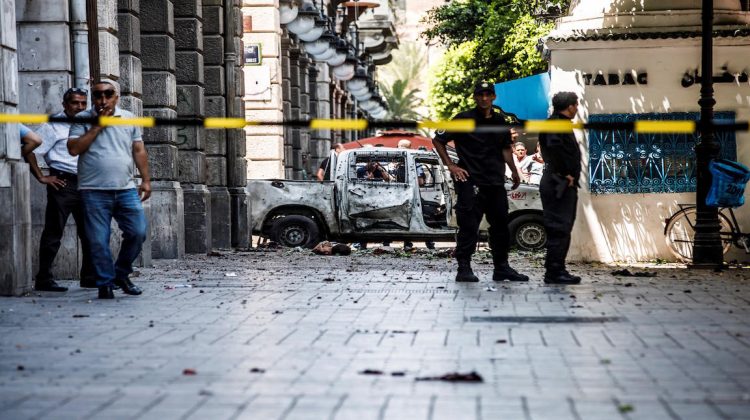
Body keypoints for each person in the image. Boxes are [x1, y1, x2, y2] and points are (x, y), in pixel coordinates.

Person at [433, 81, 529, 283]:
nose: (484, 98)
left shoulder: (501, 121)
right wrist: (451, 165)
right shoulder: (463, 119)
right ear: (475, 97)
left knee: (501, 226)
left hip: (495, 181)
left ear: (493, 97)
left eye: (488, 94)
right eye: (480, 95)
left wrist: (514, 171)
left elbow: (505, 149)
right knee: (469, 226)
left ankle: (501, 268)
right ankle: (464, 268)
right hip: (471, 181)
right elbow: (438, 140)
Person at [67, 80, 151, 299]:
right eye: (98, 95)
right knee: (97, 240)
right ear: (93, 98)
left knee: (137, 232)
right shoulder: (82, 119)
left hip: (126, 188)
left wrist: (146, 180)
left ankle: (120, 274)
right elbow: (74, 149)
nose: (103, 99)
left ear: (116, 97)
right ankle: (105, 283)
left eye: (108, 94)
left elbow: (138, 149)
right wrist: (97, 127)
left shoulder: (130, 118)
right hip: (92, 190)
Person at [28, 88, 96, 292]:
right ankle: (44, 279)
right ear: (65, 104)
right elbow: (30, 148)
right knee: (53, 232)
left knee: (91, 233)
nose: (80, 107)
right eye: (75, 103)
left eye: (83, 103)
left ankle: (90, 277)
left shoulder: (89, 122)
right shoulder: (53, 125)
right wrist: (41, 176)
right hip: (63, 184)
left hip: (87, 183)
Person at [539, 92, 582, 285]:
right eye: (576, 105)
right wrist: (566, 173)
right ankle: (555, 272)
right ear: (570, 106)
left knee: (562, 227)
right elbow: (554, 149)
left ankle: (557, 269)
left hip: (560, 181)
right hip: (558, 182)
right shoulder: (556, 124)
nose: (577, 108)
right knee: (559, 227)